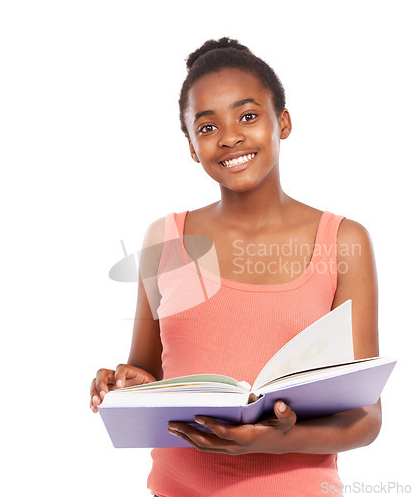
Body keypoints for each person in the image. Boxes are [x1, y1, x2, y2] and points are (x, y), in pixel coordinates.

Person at [90, 37, 381, 497]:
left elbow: (365, 418)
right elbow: (149, 374)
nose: (229, 137)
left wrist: (280, 438)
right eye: (207, 127)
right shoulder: (165, 239)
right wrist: (127, 384)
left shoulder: (343, 241)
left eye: (248, 116)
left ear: (282, 122)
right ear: (190, 145)